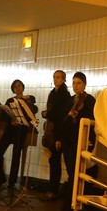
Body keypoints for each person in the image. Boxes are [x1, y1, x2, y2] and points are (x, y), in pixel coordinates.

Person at [56, 72, 95, 211]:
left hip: (80, 138)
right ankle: (71, 198)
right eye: (74, 83)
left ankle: (69, 202)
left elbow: (92, 120)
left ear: (84, 84)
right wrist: (59, 138)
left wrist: (78, 117)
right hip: (68, 138)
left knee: (74, 169)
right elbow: (63, 119)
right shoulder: (71, 100)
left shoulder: (89, 100)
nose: (76, 86)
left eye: (79, 83)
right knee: (70, 168)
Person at [0, 79, 38, 189]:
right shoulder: (10, 100)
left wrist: (28, 103)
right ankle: (0, 178)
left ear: (23, 87)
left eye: (19, 85)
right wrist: (11, 121)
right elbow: (4, 115)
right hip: (10, 129)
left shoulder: (29, 99)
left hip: (22, 130)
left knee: (16, 154)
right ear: (13, 89)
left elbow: (32, 113)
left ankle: (12, 182)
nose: (17, 88)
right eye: (15, 86)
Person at [40, 70, 72, 199]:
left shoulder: (64, 94)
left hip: (58, 131)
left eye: (58, 77)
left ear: (63, 79)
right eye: (54, 77)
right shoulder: (53, 92)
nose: (55, 79)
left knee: (55, 160)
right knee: (53, 160)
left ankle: (53, 190)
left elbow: (60, 115)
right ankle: (52, 188)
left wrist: (47, 114)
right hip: (52, 130)